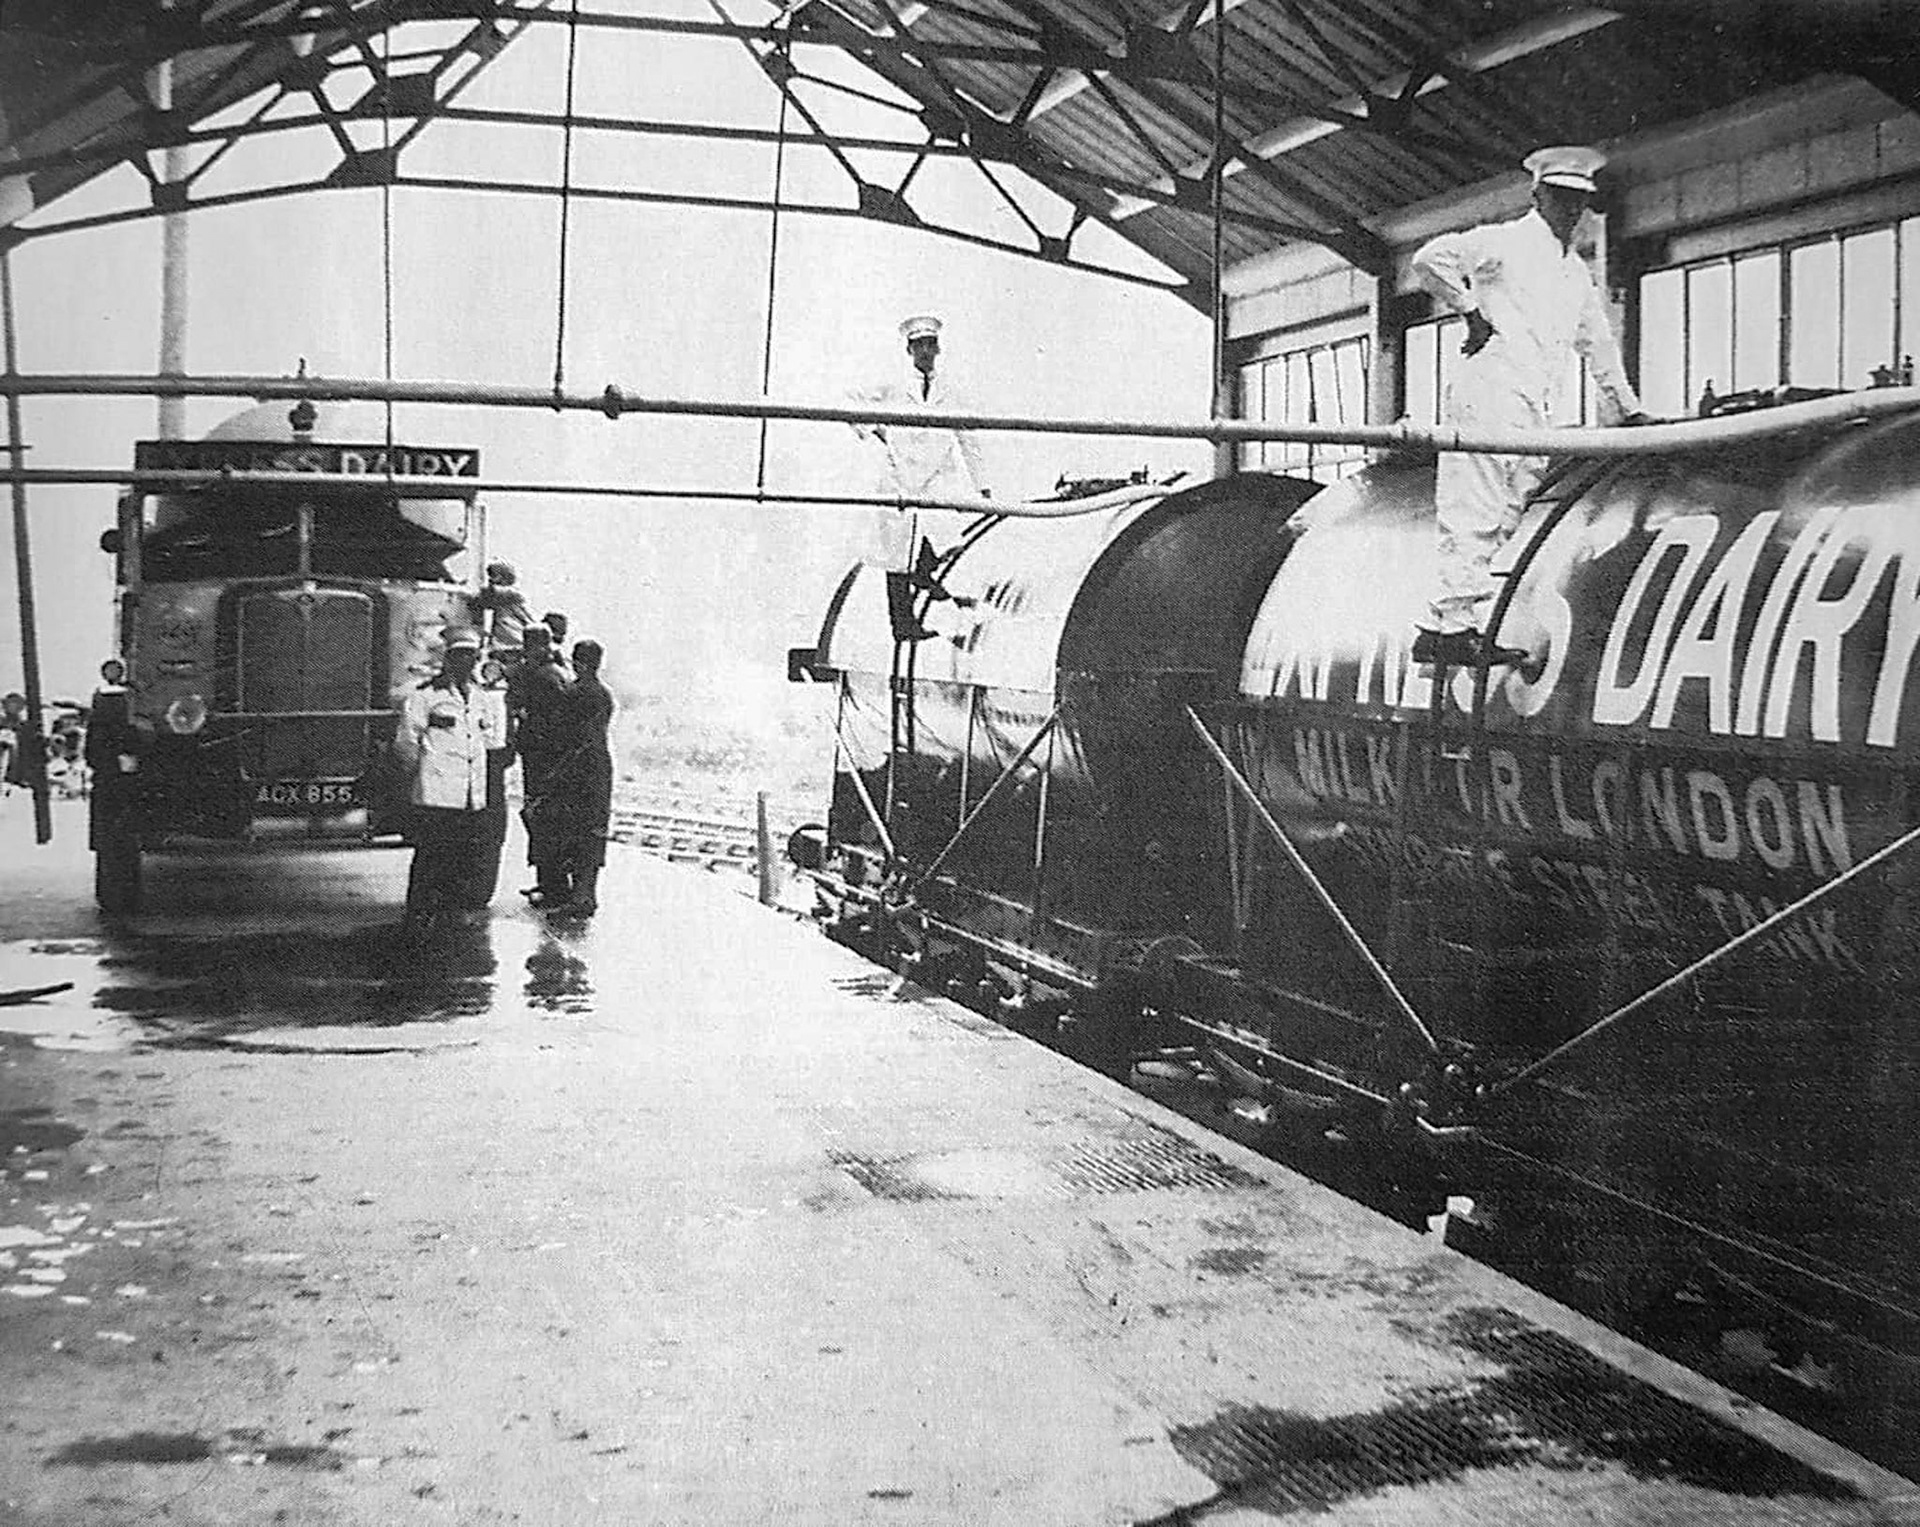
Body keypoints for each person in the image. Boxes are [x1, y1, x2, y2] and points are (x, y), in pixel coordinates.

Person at [1409, 145, 1654, 668]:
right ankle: (1452, 627)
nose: (1571, 209)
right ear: (1537, 195)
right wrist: (1470, 312)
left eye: (1578, 200)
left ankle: (1444, 623)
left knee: (1509, 507)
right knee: (1475, 506)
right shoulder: (1504, 242)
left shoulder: (1575, 274)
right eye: (1561, 197)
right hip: (1490, 392)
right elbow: (1429, 260)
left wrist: (1629, 409)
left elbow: (1598, 344)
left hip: (1533, 403)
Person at [849, 314, 992, 643]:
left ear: (938, 349)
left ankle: (925, 580)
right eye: (919, 345)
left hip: (937, 477)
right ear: (909, 350)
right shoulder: (893, 386)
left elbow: (968, 437)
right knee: (897, 555)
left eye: (930, 345)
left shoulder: (950, 391)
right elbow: (852, 399)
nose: (925, 351)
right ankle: (904, 626)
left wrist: (982, 484)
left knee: (945, 542)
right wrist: (877, 431)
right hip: (899, 477)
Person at [392, 626, 509, 935]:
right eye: (459, 657)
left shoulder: (483, 698)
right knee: (431, 857)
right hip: (437, 794)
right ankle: (419, 916)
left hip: (470, 796)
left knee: (462, 859)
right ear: (448, 659)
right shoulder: (426, 696)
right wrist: (419, 781)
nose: (466, 663)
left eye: (471, 657)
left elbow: (492, 743)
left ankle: (449, 918)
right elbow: (406, 743)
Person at [542, 639, 616, 916]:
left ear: (578, 662)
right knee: (593, 831)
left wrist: (555, 771)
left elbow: (565, 735)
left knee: (571, 831)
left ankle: (577, 898)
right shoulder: (604, 693)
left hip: (576, 769)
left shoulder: (574, 693)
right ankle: (586, 895)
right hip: (599, 766)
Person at [507, 622, 572, 906]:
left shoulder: (540, 676)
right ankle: (549, 883)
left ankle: (553, 887)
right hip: (549, 757)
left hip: (542, 759)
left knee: (543, 820)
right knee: (546, 819)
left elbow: (534, 714)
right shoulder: (556, 672)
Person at [475, 561, 533, 664]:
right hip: (501, 643)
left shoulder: (512, 594)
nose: (491, 579)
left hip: (512, 643)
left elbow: (487, 595)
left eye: (495, 576)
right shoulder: (503, 597)